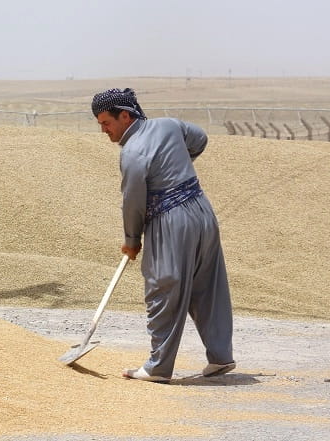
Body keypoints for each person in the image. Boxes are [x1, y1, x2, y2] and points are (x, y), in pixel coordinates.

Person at [92, 88, 235, 383]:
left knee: (163, 285)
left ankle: (158, 367)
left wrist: (132, 241)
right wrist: (176, 165)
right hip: (202, 211)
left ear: (125, 115)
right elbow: (200, 139)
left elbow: (133, 201)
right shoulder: (170, 125)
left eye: (106, 123)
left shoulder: (132, 153)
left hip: (170, 220)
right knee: (207, 285)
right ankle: (220, 357)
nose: (104, 130)